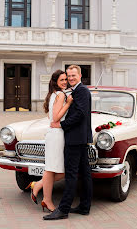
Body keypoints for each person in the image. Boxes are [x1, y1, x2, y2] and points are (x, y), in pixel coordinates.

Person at [43, 65, 92, 220]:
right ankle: (84, 206)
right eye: (68, 76)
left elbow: (80, 114)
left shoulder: (81, 91)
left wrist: (62, 125)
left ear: (80, 75)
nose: (70, 79)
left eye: (72, 76)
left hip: (75, 139)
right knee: (84, 174)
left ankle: (63, 209)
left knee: (71, 175)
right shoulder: (73, 91)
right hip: (79, 138)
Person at [26, 69, 73, 212]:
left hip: (55, 133)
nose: (65, 82)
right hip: (57, 134)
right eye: (62, 80)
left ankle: (38, 185)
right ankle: (46, 199)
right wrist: (68, 103)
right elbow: (56, 117)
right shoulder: (60, 95)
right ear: (56, 82)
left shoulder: (53, 94)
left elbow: (50, 117)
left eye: (66, 79)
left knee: (58, 169)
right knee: (52, 169)